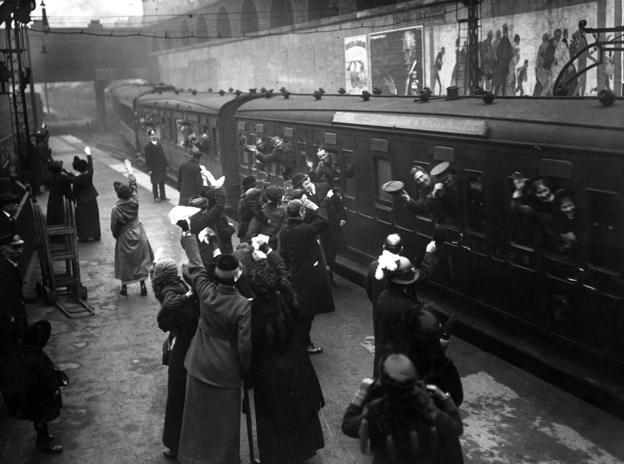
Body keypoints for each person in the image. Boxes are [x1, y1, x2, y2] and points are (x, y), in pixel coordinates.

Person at [235, 235, 326, 464]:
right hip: (295, 358)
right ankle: (305, 448)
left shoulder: (253, 311)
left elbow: (245, 290)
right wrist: (269, 252)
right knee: (299, 404)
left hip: (268, 368)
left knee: (272, 413)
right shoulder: (287, 298)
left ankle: (277, 454)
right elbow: (284, 273)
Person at [177, 225, 252, 464]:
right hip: (225, 370)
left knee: (197, 419)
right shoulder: (242, 305)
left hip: (199, 362)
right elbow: (244, 346)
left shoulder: (206, 290)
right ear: (237, 275)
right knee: (225, 423)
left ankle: (193, 457)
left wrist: (188, 234)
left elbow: (196, 264)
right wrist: (246, 372)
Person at [0, 233, 64, 454]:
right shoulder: (4, 270)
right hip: (11, 336)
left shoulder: (8, 265)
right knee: (33, 386)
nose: (19, 251)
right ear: (2, 249)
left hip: (15, 334)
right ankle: (40, 434)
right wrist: (13, 327)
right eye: (13, 247)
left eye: (20, 246)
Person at [341, 354, 463, 464]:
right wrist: (444, 397)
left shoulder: (376, 413)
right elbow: (457, 428)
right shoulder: (428, 411)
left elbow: (347, 426)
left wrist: (362, 393)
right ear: (414, 381)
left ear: (383, 385)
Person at [152, 259, 199, 461]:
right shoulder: (174, 290)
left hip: (180, 343)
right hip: (191, 344)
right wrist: (191, 292)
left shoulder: (166, 287)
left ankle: (174, 444)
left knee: (177, 396)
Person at [279, 198, 335, 354]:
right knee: (307, 313)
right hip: (305, 276)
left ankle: (297, 341)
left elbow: (282, 254)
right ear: (301, 212)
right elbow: (323, 222)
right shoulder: (303, 230)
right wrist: (317, 207)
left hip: (292, 274)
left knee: (297, 311)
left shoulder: (284, 230)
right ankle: (305, 344)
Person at [372, 255, 441, 377]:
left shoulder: (384, 296)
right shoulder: (410, 308)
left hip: (385, 358)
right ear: (407, 283)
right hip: (402, 364)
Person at [292, 171, 347, 285]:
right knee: (321, 253)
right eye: (303, 187)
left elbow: (337, 201)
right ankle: (326, 278)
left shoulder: (325, 186)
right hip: (316, 228)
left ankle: (329, 274)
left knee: (332, 251)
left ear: (309, 180)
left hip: (330, 225)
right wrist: (326, 199)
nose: (306, 188)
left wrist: (343, 216)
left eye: (307, 184)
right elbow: (316, 210)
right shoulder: (302, 196)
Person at [111, 172, 154, 296]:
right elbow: (133, 185)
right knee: (140, 260)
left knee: (125, 262)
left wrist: (116, 235)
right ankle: (142, 286)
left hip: (124, 236)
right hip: (138, 233)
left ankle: (124, 287)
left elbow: (114, 227)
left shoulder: (115, 209)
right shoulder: (135, 201)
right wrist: (129, 171)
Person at [72, 147, 101, 242]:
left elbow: (75, 192)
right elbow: (91, 166)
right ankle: (96, 235)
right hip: (92, 198)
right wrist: (88, 154)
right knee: (94, 217)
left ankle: (83, 236)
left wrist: (74, 201)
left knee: (83, 219)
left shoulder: (76, 179)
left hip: (81, 201)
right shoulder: (89, 175)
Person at [237, 176, 265, 242]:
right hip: (249, 230)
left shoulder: (246, 197)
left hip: (246, 229)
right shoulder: (252, 198)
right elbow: (257, 213)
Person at [46, 160, 74, 226]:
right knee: (62, 215)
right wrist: (67, 171)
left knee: (52, 214)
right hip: (62, 199)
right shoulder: (63, 177)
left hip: (52, 199)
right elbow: (74, 179)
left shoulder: (49, 178)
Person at [144, 129, 169, 202]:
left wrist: (166, 164)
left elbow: (163, 155)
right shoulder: (148, 147)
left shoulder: (159, 144)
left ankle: (163, 196)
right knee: (154, 183)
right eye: (151, 135)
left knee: (162, 181)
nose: (153, 136)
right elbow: (147, 159)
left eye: (154, 134)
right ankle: (156, 196)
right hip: (154, 168)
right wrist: (149, 169)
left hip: (161, 167)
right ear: (149, 137)